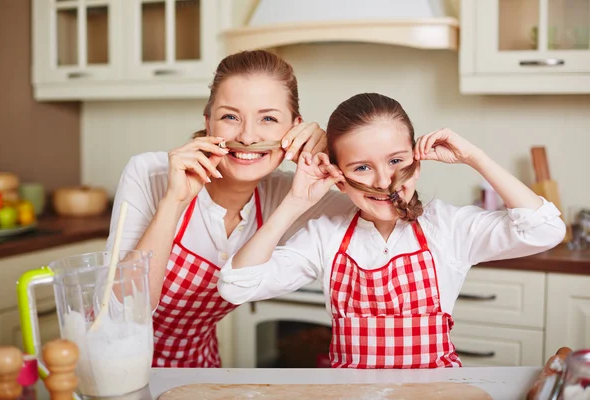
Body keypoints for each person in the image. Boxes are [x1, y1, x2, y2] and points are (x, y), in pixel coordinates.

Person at [218, 93, 566, 369]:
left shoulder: (447, 228)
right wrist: (296, 201)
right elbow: (236, 286)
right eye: (362, 167)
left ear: (416, 161)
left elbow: (546, 231)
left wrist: (475, 157)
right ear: (338, 176)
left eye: (396, 161)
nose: (384, 181)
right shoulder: (327, 235)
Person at [106, 50, 354, 368]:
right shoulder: (151, 173)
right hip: (114, 363)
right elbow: (123, 313)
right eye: (230, 117)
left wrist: (335, 155)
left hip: (198, 365)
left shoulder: (290, 192)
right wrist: (174, 202)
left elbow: (384, 215)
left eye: (268, 118)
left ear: (295, 129)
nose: (248, 137)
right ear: (208, 122)